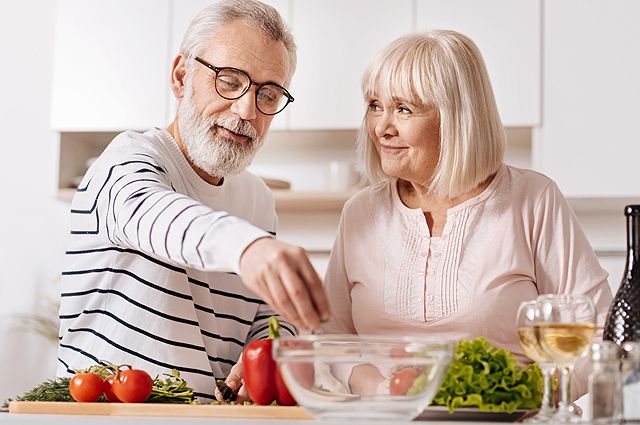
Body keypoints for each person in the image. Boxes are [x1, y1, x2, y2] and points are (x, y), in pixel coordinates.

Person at [57, 0, 329, 402]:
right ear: (182, 76)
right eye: (229, 80)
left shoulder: (257, 200)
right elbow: (153, 214)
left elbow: (265, 317)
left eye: (268, 94)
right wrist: (248, 248)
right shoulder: (127, 160)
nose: (246, 110)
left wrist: (271, 347)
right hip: (109, 414)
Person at [321, 30, 613, 401]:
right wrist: (374, 387)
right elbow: (331, 333)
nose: (382, 127)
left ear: (457, 117)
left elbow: (598, 330)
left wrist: (528, 399)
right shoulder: (360, 212)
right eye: (375, 105)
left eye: (404, 109)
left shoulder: (533, 200)